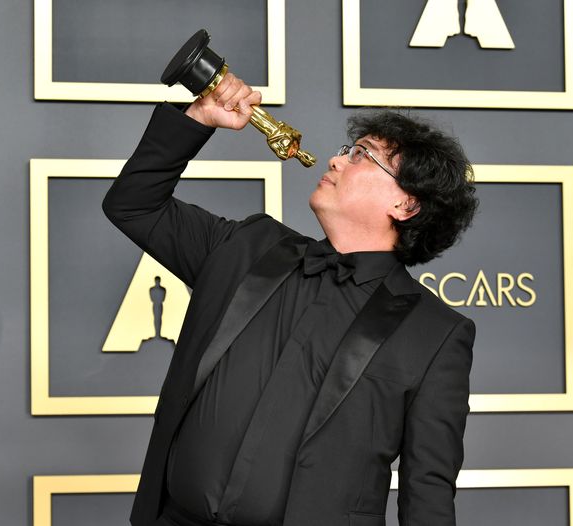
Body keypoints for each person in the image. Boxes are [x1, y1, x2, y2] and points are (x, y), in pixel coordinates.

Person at [102, 72, 479, 526]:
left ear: (406, 206)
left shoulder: (435, 332)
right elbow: (134, 205)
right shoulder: (248, 247)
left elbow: (427, 491)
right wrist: (199, 117)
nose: (338, 161)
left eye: (362, 156)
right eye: (346, 150)